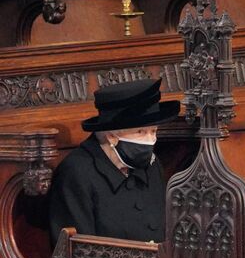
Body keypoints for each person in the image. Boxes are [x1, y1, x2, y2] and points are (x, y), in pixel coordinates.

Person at [48, 78, 179, 245]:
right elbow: (76, 253)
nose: (150, 140)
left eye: (153, 131)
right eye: (140, 131)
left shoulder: (152, 165)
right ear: (111, 136)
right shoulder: (76, 173)